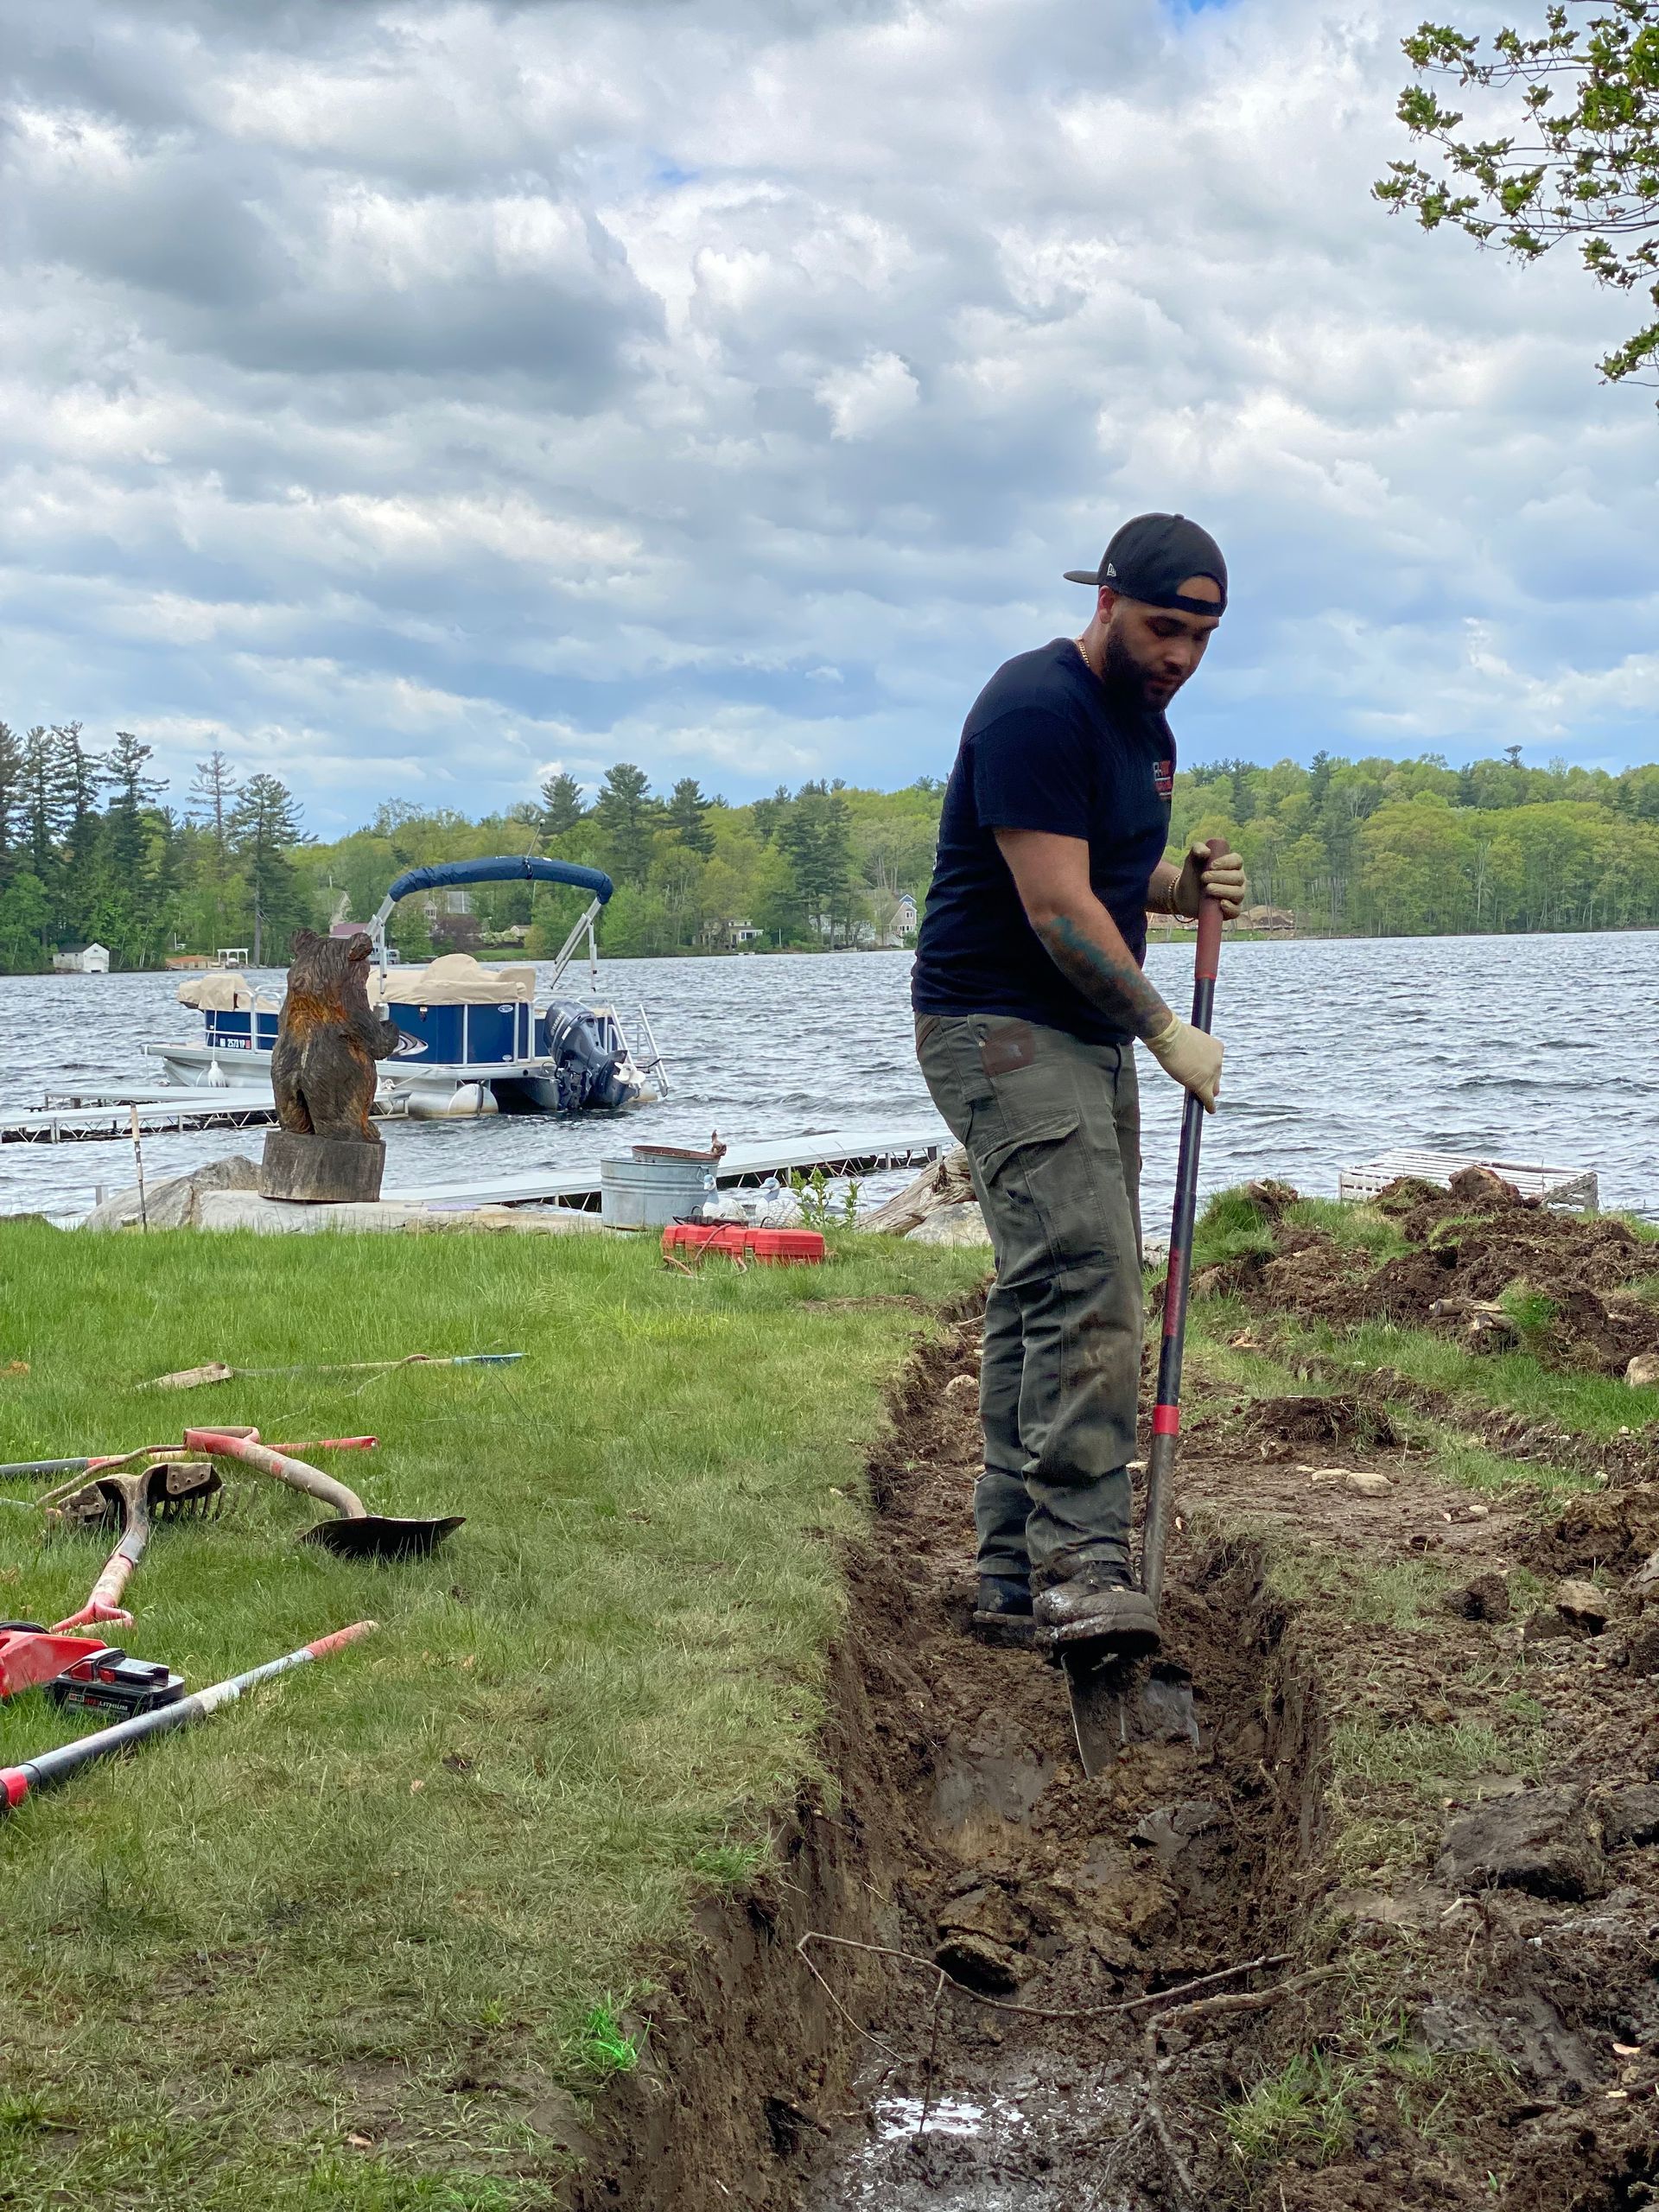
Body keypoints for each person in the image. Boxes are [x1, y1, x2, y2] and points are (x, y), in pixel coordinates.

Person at [910, 512, 1246, 1662]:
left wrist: (1178, 887)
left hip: (1079, 1029)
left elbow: (1099, 876)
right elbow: (1053, 907)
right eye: (1164, 629)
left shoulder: (1141, 727)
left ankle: (1009, 1574)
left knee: (1051, 1284)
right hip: (998, 1026)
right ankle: (1081, 1563)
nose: (1180, 658)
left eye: (1202, 637)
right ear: (1106, 599)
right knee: (1090, 1280)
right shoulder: (1035, 706)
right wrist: (1162, 1026)